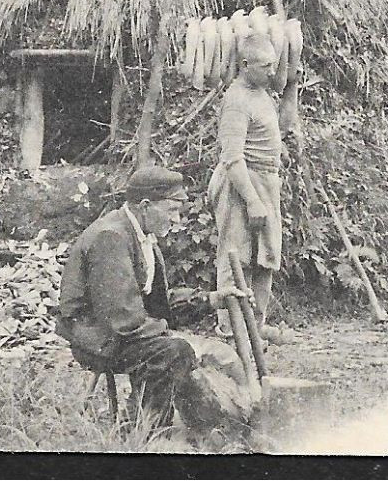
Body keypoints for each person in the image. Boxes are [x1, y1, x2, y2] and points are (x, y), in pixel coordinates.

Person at [56, 165, 248, 427]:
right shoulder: (110, 237)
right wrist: (173, 336)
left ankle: (215, 426)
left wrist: (211, 299)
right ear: (145, 205)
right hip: (97, 338)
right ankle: (145, 430)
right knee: (174, 351)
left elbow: (153, 301)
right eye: (171, 210)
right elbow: (122, 317)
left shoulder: (139, 235)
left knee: (205, 352)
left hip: (120, 331)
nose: (177, 219)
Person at [209, 32, 284, 339]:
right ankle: (230, 330)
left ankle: (256, 325)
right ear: (245, 64)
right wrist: (252, 200)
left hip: (266, 180)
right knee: (234, 255)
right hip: (240, 184)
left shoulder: (261, 93)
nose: (272, 71)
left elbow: (277, 130)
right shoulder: (237, 100)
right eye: (265, 66)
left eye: (274, 65)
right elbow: (232, 158)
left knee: (266, 255)